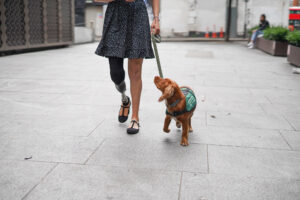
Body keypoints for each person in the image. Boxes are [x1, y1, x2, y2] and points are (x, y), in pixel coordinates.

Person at [95, 0, 160, 134]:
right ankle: (125, 99)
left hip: (138, 14)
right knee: (116, 74)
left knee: (136, 71)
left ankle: (135, 118)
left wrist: (156, 18)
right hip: (115, 16)